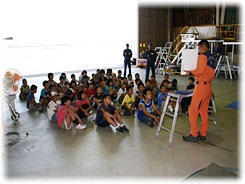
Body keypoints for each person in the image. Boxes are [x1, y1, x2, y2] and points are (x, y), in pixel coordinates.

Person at [183, 40, 216, 142]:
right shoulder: (211, 58)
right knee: (203, 111)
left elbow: (200, 71)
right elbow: (212, 75)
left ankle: (193, 134)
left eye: (199, 48)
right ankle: (202, 133)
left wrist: (190, 72)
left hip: (201, 87)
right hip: (208, 87)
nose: (198, 50)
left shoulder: (202, 57)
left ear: (203, 46)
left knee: (192, 110)